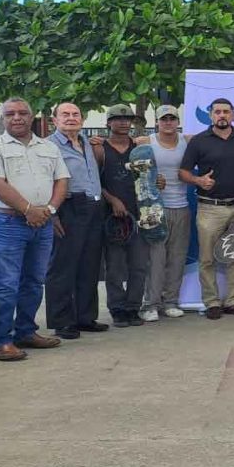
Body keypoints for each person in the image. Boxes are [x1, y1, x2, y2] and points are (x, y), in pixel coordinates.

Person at [0, 98, 69, 361]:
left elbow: (61, 180)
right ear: (3, 119)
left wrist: (49, 210)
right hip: (7, 223)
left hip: (43, 223)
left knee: (34, 281)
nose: (16, 117)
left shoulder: (49, 147)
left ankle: (26, 332)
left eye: (22, 113)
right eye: (10, 114)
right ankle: (0, 341)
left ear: (32, 117)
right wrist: (28, 209)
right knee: (7, 284)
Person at [179, 97, 234, 320]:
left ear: (233, 115)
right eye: (217, 112)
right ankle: (212, 302)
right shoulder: (199, 141)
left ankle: (233, 301)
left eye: (226, 111)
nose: (222, 115)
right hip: (209, 208)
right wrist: (198, 180)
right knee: (207, 258)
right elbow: (183, 172)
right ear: (211, 115)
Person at [45, 102, 108, 339]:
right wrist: (52, 214)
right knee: (63, 266)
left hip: (94, 206)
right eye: (65, 114)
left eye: (75, 114)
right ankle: (62, 321)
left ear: (82, 119)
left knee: (90, 265)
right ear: (54, 120)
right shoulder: (48, 146)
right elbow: (44, 181)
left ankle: (85, 317)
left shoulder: (88, 143)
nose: (71, 118)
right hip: (68, 207)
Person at [95, 104, 151, 328]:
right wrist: (112, 200)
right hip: (113, 219)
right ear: (108, 122)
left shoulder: (140, 148)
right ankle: (117, 308)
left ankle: (133, 307)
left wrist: (158, 182)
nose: (123, 122)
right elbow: (93, 182)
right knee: (115, 268)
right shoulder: (100, 149)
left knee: (139, 266)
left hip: (140, 215)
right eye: (117, 119)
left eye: (127, 119)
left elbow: (150, 176)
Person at [141, 105, 190, 322]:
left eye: (172, 118)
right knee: (155, 259)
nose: (168, 122)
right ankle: (150, 304)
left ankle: (171, 301)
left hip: (181, 207)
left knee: (177, 258)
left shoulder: (187, 140)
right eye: (164, 119)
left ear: (178, 121)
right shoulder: (145, 142)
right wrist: (96, 141)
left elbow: (216, 134)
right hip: (154, 209)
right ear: (157, 122)